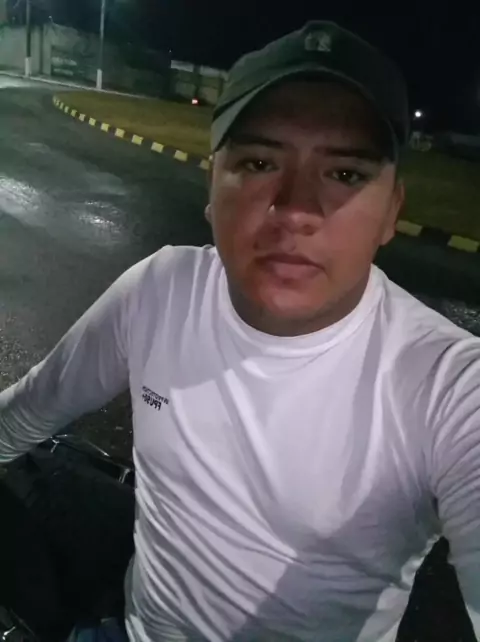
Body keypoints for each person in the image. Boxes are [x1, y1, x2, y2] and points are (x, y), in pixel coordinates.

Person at [0, 19, 479, 642]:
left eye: (345, 174)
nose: (297, 208)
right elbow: (27, 412)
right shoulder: (160, 291)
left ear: (392, 212)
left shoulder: (448, 387)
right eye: (259, 162)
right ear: (212, 187)